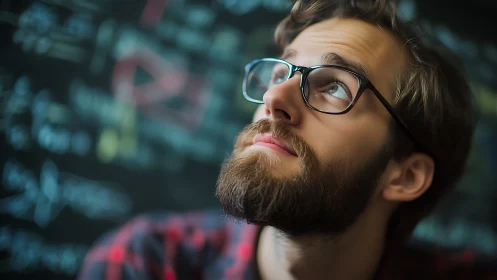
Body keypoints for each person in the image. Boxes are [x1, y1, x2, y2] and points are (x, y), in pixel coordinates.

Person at [78, 0, 492, 279]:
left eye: (334, 87)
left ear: (404, 175)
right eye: (280, 74)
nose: (274, 98)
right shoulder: (145, 262)